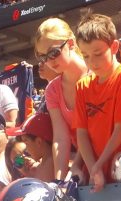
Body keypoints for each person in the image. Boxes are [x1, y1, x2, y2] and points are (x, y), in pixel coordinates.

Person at [73, 13, 121, 192]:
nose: (92, 62)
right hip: (96, 174)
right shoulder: (82, 86)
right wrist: (92, 168)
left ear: (114, 47)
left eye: (97, 53)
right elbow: (82, 134)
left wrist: (99, 165)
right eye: (85, 56)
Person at [34, 18, 89, 181]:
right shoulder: (52, 89)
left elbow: (94, 132)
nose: (49, 61)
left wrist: (77, 165)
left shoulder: (94, 75)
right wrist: (59, 178)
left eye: (54, 53)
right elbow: (60, 137)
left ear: (71, 44)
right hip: (85, 164)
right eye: (42, 57)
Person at [8, 112, 56, 181]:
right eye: (18, 161)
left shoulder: (52, 164)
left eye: (26, 143)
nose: (25, 159)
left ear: (39, 142)